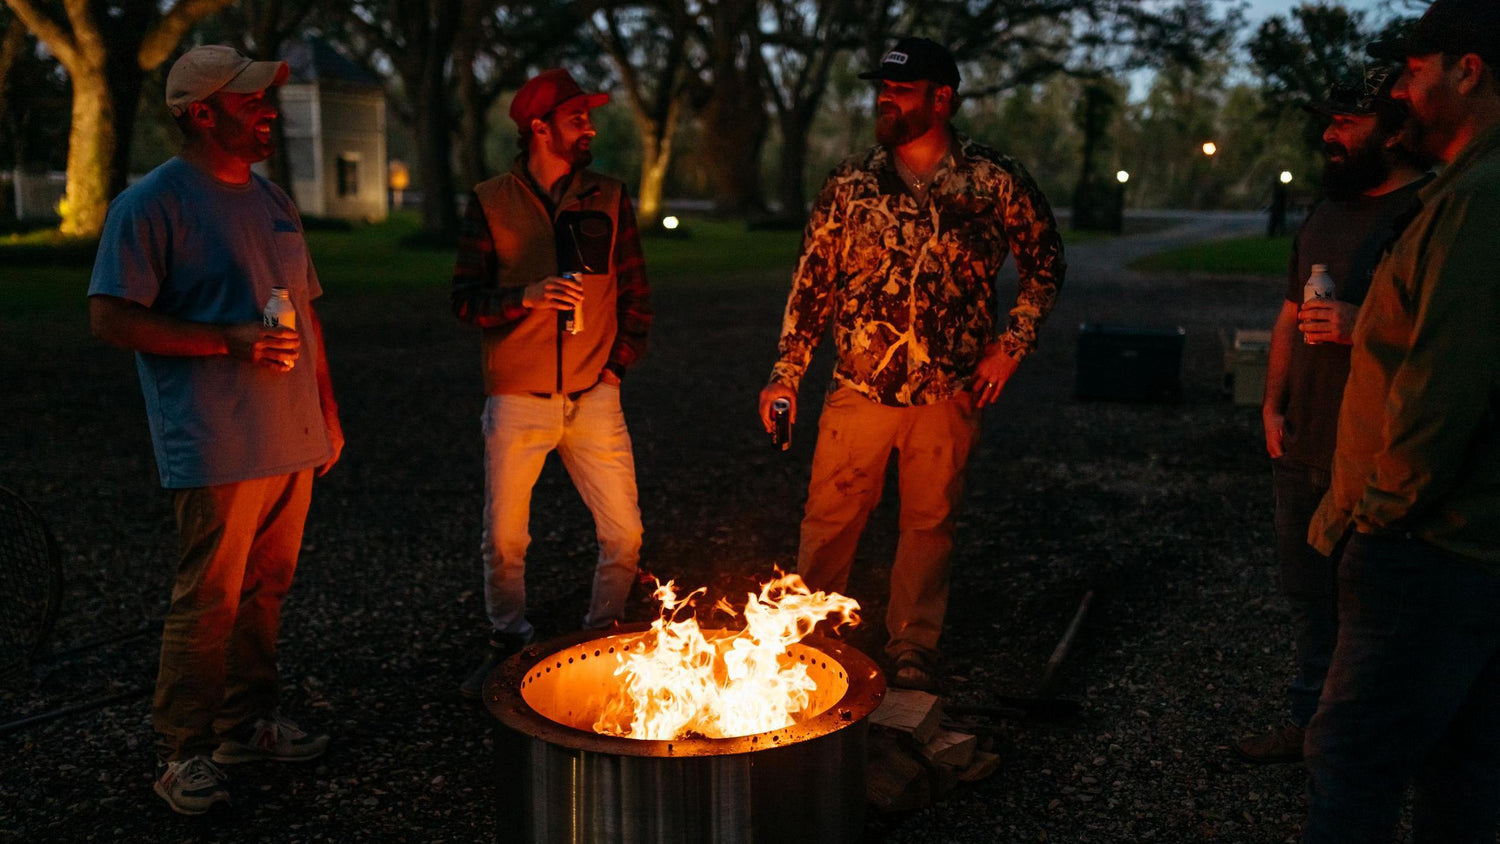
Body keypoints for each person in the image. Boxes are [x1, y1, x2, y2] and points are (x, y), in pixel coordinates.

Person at [757, 37, 1065, 692]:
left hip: (946, 394)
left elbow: (1045, 266)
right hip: (859, 390)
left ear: (941, 98)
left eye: (900, 89)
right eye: (883, 89)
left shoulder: (991, 181)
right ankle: (808, 641)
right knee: (830, 521)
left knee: (929, 527)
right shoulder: (851, 182)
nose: (885, 99)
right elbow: (813, 282)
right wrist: (786, 374)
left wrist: (1012, 345)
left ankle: (913, 648)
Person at [87, 45, 343, 815]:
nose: (268, 109)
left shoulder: (273, 201)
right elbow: (109, 317)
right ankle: (181, 754)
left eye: (268, 97)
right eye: (252, 100)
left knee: (267, 589)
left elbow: (308, 310)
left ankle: (246, 722)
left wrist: (327, 411)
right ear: (203, 113)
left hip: (290, 437)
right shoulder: (153, 204)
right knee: (211, 600)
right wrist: (223, 339)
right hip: (218, 441)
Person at [1302, 0, 1500, 837]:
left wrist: (1377, 520)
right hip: (1453, 546)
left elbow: (1443, 384)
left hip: (1427, 550)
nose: (1401, 95)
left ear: (1469, 70)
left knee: (1352, 763)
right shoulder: (1462, 190)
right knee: (1461, 771)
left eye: (1414, 74)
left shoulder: (1480, 201)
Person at [1234, 65, 1431, 764]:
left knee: (1374, 606)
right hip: (1306, 440)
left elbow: (1454, 340)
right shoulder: (1326, 211)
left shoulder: (1429, 215)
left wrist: (1363, 324)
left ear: (1397, 128)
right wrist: (1271, 401)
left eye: (1347, 121)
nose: (1330, 134)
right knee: (1310, 598)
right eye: (1330, 120)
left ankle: (1368, 741)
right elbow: (1290, 312)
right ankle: (1310, 724)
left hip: (1377, 451)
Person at [452, 68, 651, 700]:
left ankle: (603, 638)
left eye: (588, 118)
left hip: (594, 394)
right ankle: (508, 641)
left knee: (624, 533)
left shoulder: (610, 197)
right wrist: (527, 298)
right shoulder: (491, 201)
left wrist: (612, 372)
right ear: (539, 128)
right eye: (577, 118)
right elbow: (465, 302)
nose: (589, 127)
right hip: (517, 397)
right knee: (506, 537)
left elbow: (637, 295)